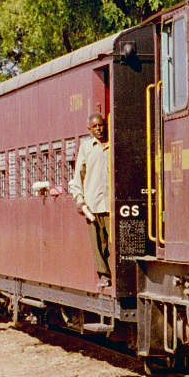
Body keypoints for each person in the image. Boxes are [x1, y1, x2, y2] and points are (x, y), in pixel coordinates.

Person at [69, 112, 112, 288]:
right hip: (93, 203)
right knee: (97, 243)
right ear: (90, 129)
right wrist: (79, 200)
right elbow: (79, 174)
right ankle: (104, 275)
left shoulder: (112, 144)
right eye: (95, 127)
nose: (99, 129)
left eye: (101, 125)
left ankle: (113, 273)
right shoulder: (86, 148)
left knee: (111, 241)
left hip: (111, 204)